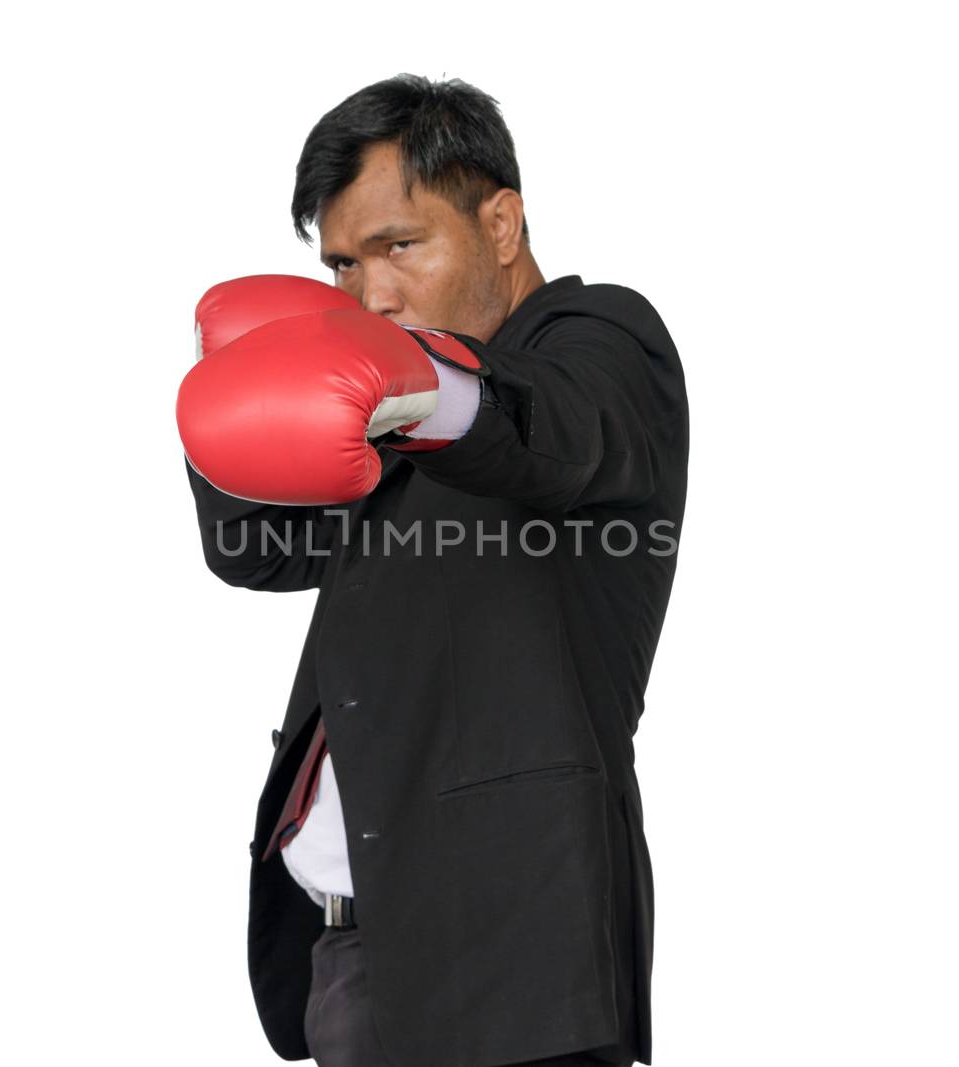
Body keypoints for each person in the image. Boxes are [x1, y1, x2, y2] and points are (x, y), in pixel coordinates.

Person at [177, 73, 688, 1067]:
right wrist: (224, 397)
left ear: (501, 224)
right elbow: (259, 549)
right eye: (340, 265)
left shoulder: (600, 345)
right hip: (356, 951)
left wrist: (418, 388)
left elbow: (551, 430)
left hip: (511, 960)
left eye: (399, 246)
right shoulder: (369, 418)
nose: (368, 296)